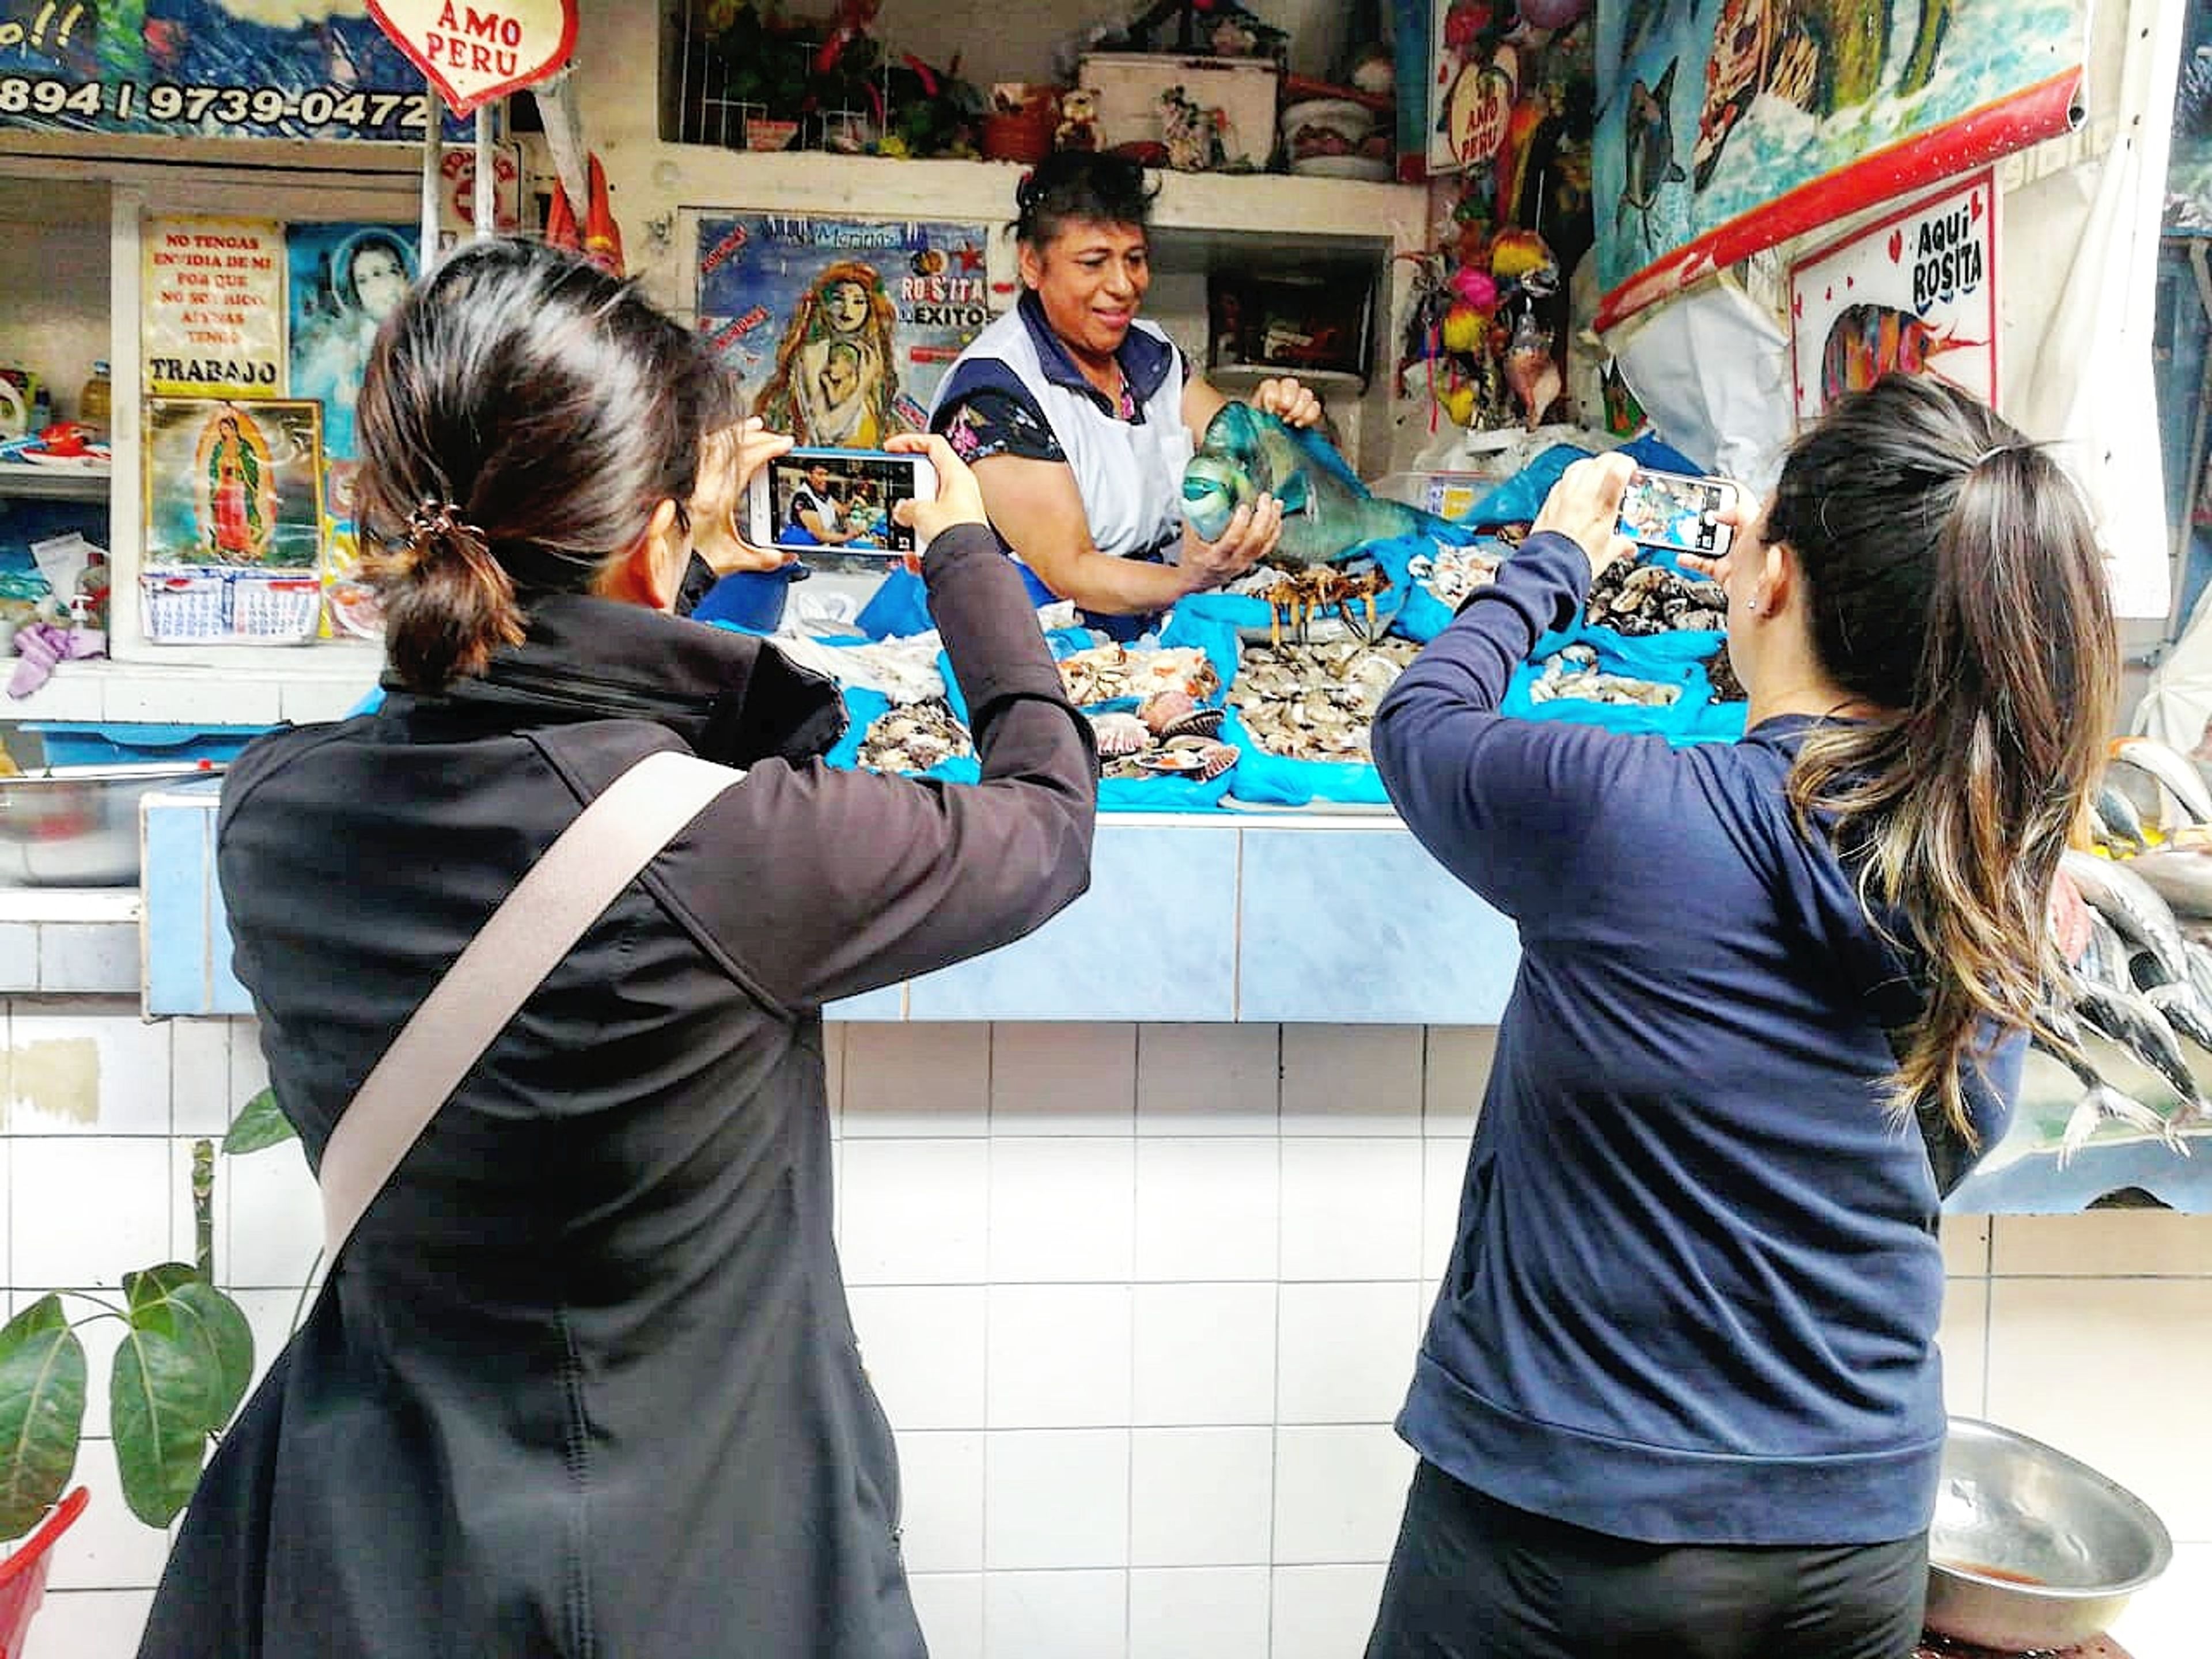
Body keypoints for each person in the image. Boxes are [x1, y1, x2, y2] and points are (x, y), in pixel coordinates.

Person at [138, 237, 1097, 1658]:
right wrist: (961, 550)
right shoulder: (746, 853)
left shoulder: (270, 817)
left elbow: (511, 733)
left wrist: (656, 582)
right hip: (705, 1568)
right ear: (649, 535)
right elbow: (1046, 821)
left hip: (375, 1562)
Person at [1365, 375, 2117, 1659]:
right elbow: (1946, 1145)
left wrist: (1557, 554)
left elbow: (1419, 722)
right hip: (1853, 1532)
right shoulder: (2003, 869)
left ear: (1772, 583)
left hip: (1566, 1520)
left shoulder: (1622, 808)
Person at [930, 150, 1323, 630]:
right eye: (1094, 262)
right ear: (1033, 265)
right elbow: (1070, 569)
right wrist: (1188, 580)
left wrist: (1272, 421)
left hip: (1154, 617)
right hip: (1041, 635)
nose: (1122, 285)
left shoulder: (1150, 355)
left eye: (1135, 260)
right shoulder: (994, 394)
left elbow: (1244, 454)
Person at [293, 225, 418, 459]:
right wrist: (346, 406)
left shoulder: (423, 342)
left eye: (384, 273)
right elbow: (316, 434)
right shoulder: (344, 349)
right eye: (363, 280)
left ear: (403, 276)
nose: (376, 288)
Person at [755, 261, 910, 448]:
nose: (848, 311)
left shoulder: (871, 353)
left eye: (859, 302)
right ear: (825, 305)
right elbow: (826, 429)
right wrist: (863, 385)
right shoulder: (814, 352)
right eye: (838, 300)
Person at [787, 459, 856, 547]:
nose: (824, 479)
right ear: (809, 475)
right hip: (805, 549)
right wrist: (848, 537)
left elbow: (843, 511)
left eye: (826, 475)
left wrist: (854, 500)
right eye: (820, 474)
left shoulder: (824, 495)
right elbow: (820, 535)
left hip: (822, 546)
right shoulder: (802, 498)